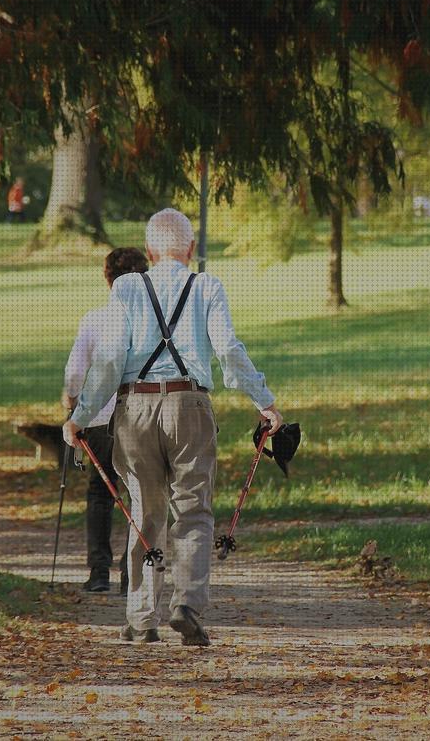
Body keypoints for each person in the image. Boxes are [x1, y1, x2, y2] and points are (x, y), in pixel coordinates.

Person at [63, 208, 282, 646]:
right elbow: (228, 351)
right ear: (191, 250)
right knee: (194, 509)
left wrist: (80, 416)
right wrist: (265, 402)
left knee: (144, 510)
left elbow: (107, 363)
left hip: (136, 408)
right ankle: (187, 606)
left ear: (149, 251)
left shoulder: (126, 288)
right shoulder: (207, 286)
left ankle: (142, 618)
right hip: (190, 405)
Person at [63, 247, 149, 594]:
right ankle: (132, 574)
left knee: (100, 492)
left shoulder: (95, 319)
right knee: (138, 493)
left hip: (98, 417)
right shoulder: (151, 322)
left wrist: (71, 403)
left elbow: (74, 371)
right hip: (139, 415)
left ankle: (98, 571)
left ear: (106, 278)